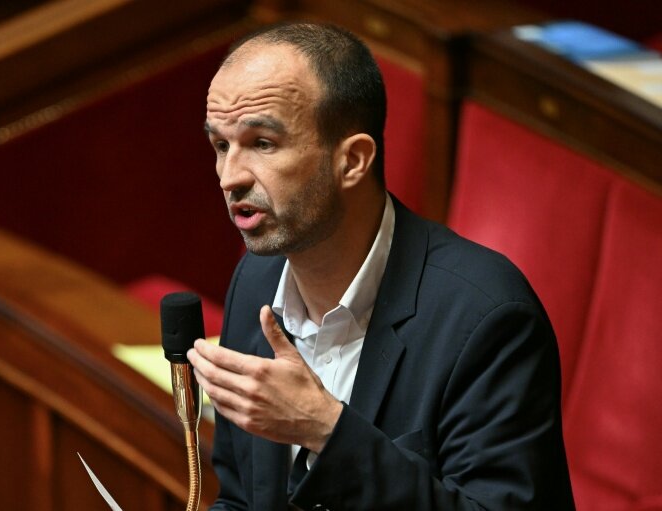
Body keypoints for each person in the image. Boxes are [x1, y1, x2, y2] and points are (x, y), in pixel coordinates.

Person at [187, 22, 574, 510]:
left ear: (353, 160)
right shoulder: (257, 279)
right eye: (221, 146)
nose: (230, 177)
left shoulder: (487, 319)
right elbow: (244, 499)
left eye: (262, 143)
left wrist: (326, 431)